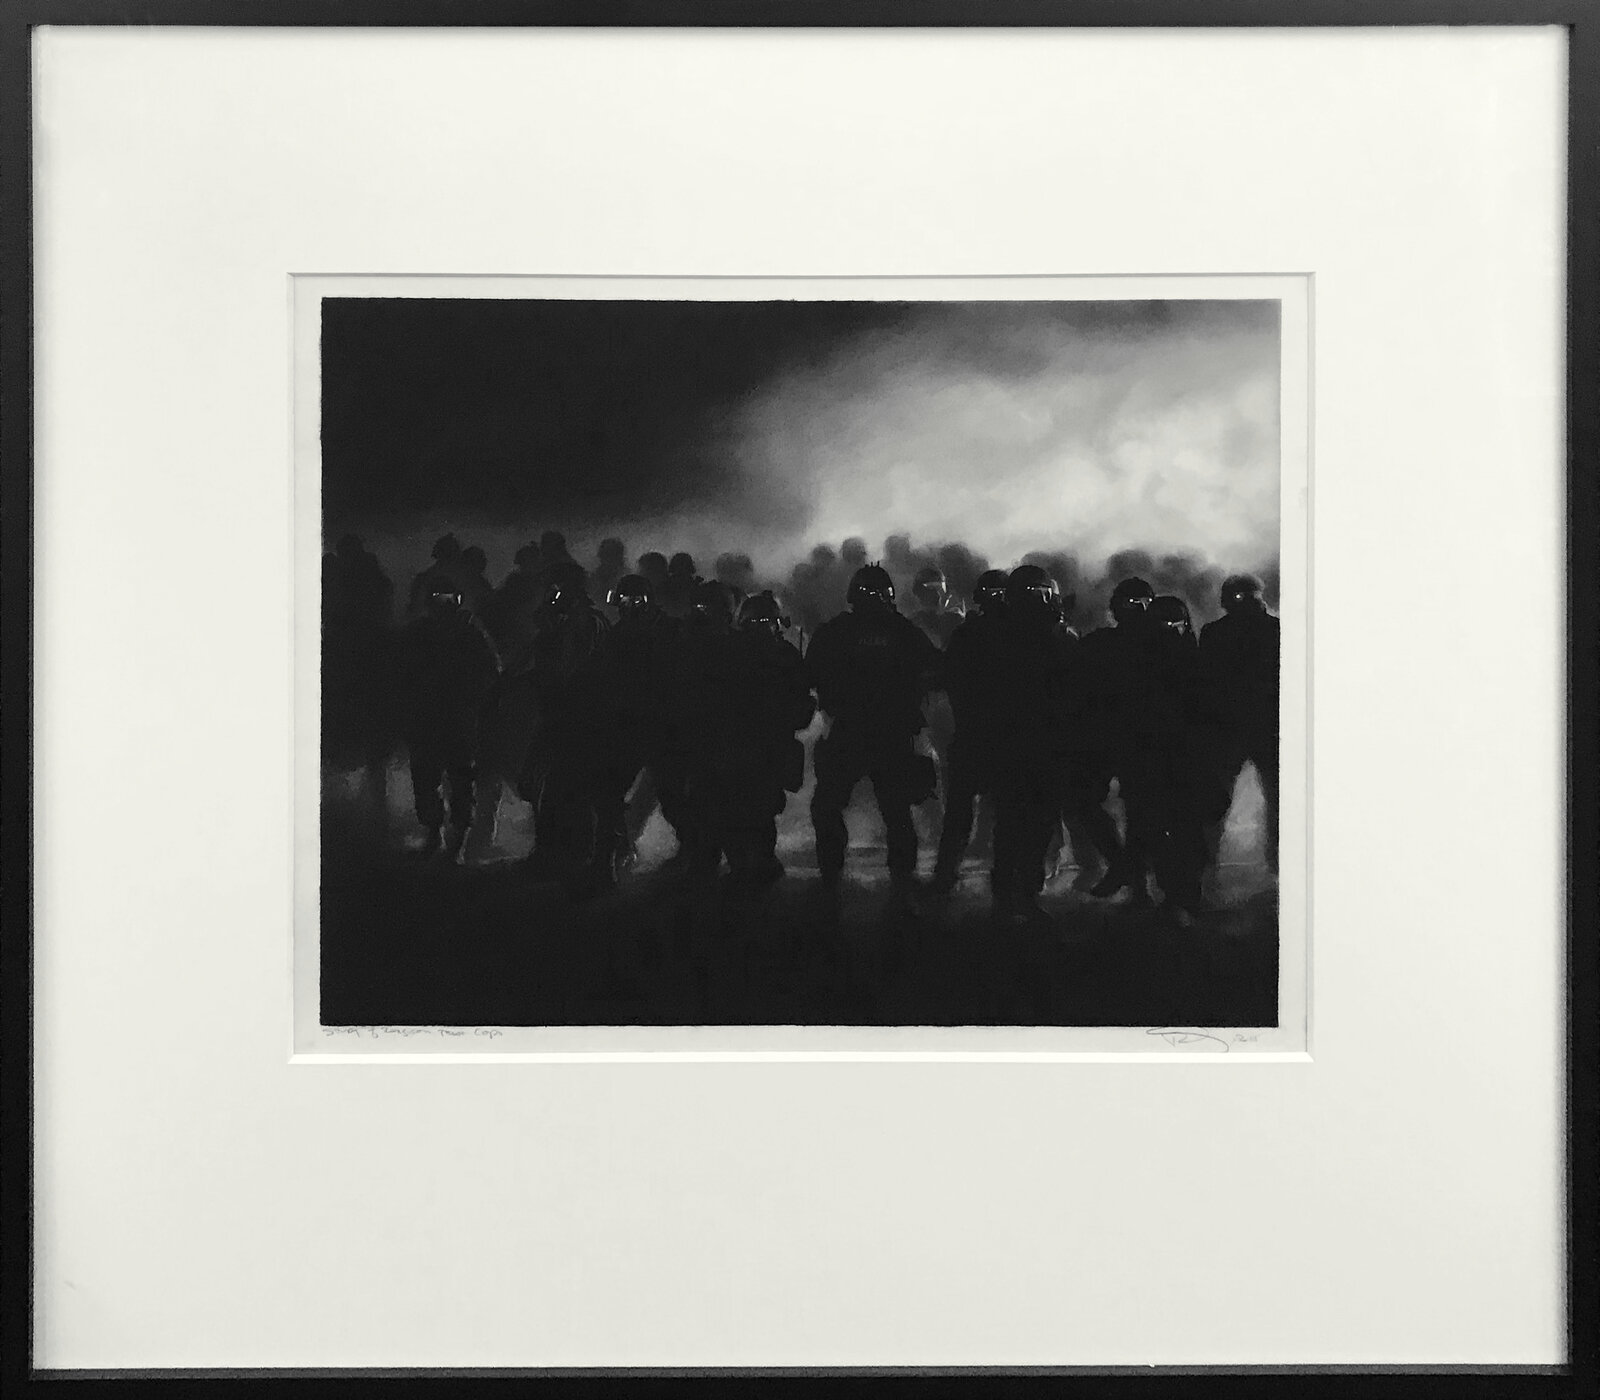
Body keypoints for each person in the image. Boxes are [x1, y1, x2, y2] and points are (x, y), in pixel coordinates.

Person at [805, 564, 942, 913]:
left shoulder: (839, 632)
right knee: (886, 809)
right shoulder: (902, 631)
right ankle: (888, 876)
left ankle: (839, 875)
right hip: (880, 733)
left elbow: (810, 673)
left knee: (848, 807)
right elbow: (934, 671)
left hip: (864, 732)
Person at [685, 590, 816, 890]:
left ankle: (756, 864)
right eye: (756, 620)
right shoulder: (729, 651)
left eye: (766, 620)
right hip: (736, 743)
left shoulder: (780, 654)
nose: (761, 626)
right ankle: (740, 865)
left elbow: (800, 702)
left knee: (759, 808)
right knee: (731, 806)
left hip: (764, 744)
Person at [987, 566, 1079, 922]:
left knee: (1021, 823)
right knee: (1026, 822)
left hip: (1028, 741)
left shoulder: (995, 635)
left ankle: (1015, 894)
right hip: (1030, 741)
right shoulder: (1054, 636)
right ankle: (1018, 894)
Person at [518, 562, 613, 881]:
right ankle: (559, 852)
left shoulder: (587, 623)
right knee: (552, 786)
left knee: (571, 788)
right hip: (561, 715)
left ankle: (576, 854)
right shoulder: (567, 622)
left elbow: (574, 670)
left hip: (579, 718)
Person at [395, 574, 500, 860]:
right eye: (439, 600)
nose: (443, 606)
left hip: (457, 717)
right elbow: (399, 673)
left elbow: (491, 671)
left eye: (448, 600)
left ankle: (456, 839)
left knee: (461, 779)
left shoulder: (470, 632)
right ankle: (435, 833)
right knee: (427, 779)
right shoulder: (419, 633)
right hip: (428, 716)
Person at [1071, 576, 1157, 899]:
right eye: (1130, 605)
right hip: (1105, 737)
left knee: (1139, 813)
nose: (1135, 611)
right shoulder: (1100, 643)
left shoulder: (1156, 644)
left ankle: (1134, 883)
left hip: (1136, 738)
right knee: (1086, 802)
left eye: (1141, 605)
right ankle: (1126, 869)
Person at [930, 568, 1010, 892]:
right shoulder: (1017, 634)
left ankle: (947, 877)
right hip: (997, 735)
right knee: (994, 813)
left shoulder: (967, 634)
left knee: (962, 814)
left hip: (978, 733)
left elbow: (946, 677)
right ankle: (1005, 885)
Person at [1199, 572, 1281, 876]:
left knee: (1220, 800)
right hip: (1254, 724)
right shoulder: (1275, 630)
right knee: (1273, 797)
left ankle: (1207, 864)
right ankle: (1276, 863)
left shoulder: (1215, 633)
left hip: (1233, 725)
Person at [909, 566, 963, 648]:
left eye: (941, 590)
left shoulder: (955, 621)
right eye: (932, 589)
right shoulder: (913, 624)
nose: (938, 595)